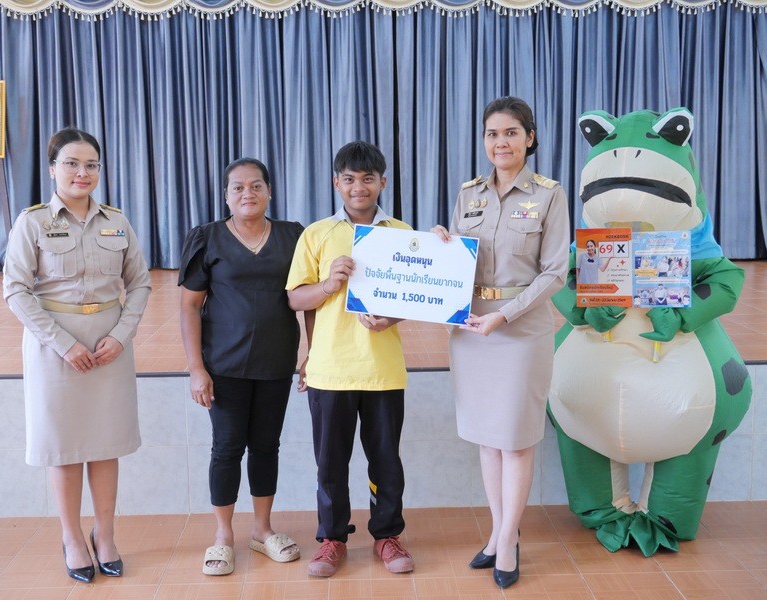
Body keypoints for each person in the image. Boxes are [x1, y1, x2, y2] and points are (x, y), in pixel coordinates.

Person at [431, 97, 569, 589]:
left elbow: (555, 272)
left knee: (515, 440)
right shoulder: (469, 194)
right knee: (488, 439)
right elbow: (458, 263)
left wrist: (505, 315)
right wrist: (441, 246)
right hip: (472, 328)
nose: (501, 142)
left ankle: (508, 540)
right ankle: (497, 532)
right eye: (492, 133)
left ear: (529, 138)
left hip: (520, 331)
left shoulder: (549, 195)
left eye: (511, 132)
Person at [2, 127, 151, 583]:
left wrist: (121, 335)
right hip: (55, 348)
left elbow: (140, 283)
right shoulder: (32, 222)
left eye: (91, 165)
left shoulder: (116, 221)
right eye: (71, 163)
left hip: (109, 348)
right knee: (64, 447)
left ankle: (104, 534)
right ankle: (71, 538)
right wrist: (64, 344)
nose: (82, 173)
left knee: (106, 445)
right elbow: (15, 290)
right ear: (52, 169)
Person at [286, 141, 415, 578]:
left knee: (386, 462)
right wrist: (328, 284)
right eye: (349, 179)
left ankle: (387, 535)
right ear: (335, 183)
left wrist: (390, 317)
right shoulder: (317, 234)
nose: (359, 187)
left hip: (383, 370)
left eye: (368, 178)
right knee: (330, 463)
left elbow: (415, 298)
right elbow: (295, 298)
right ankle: (332, 538)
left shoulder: (402, 233)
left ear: (383, 182)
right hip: (330, 369)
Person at [179, 158, 303, 576]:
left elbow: (307, 297)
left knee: (267, 446)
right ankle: (223, 536)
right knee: (227, 447)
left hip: (276, 360)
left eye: (256, 186)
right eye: (238, 187)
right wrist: (196, 368)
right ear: (226, 195)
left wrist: (313, 351)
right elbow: (190, 306)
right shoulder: (208, 238)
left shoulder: (292, 235)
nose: (247, 193)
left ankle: (263, 530)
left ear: (269, 191)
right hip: (224, 364)